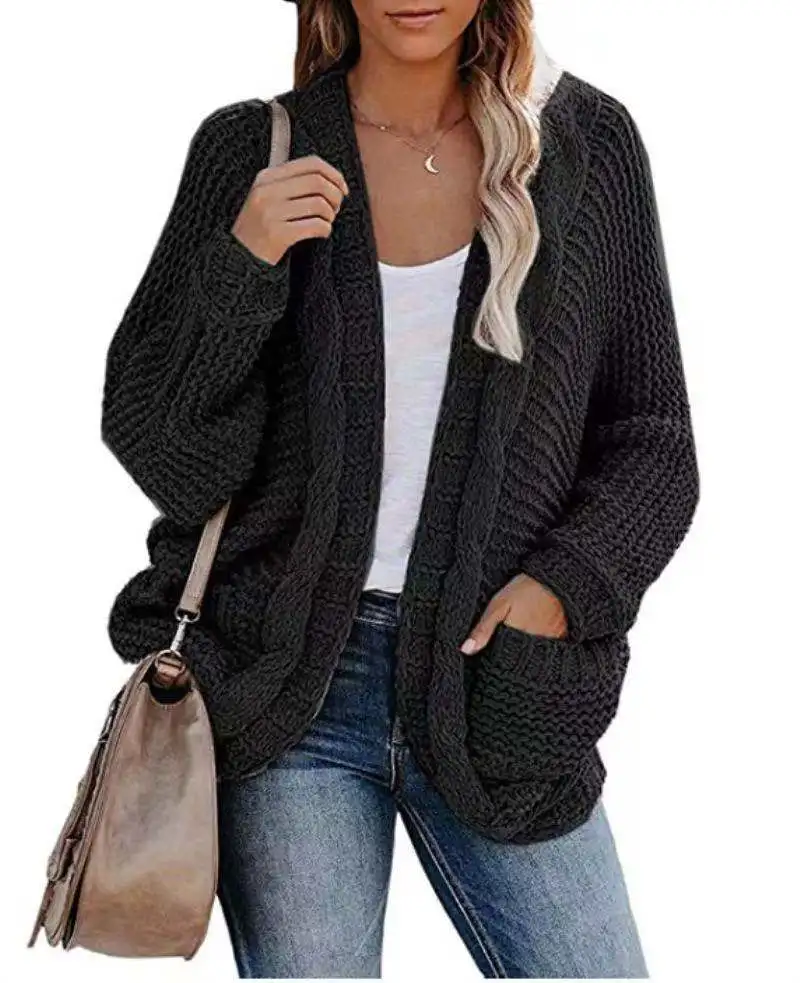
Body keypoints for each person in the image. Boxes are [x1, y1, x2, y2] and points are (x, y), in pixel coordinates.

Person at [100, 0, 700, 977]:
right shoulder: (251, 151)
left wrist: (559, 590)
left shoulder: (583, 146)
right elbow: (164, 452)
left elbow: (652, 440)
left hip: (498, 687)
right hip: (286, 692)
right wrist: (245, 262)